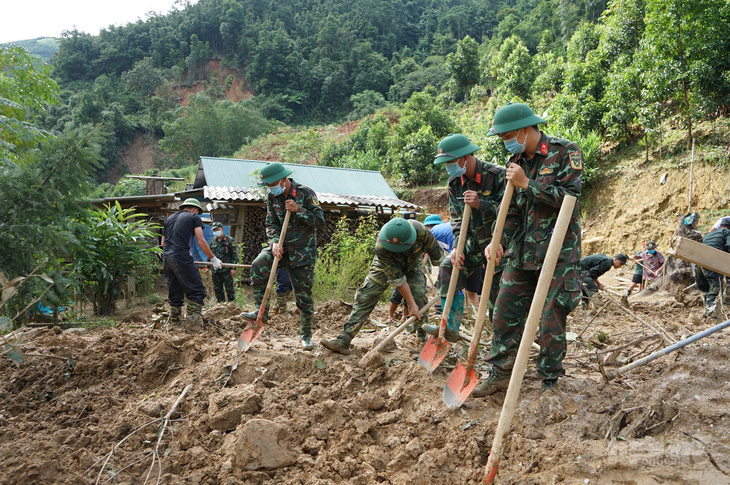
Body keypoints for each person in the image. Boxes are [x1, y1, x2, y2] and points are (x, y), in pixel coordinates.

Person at [475, 102, 583, 396]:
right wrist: (498, 241)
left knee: (550, 318)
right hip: (521, 252)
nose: (504, 142)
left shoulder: (564, 152)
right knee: (504, 310)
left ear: (524, 129)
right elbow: (512, 212)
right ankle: (499, 372)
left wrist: (528, 184)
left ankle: (549, 381)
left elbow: (570, 198)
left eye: (507, 135)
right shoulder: (516, 160)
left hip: (557, 254)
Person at [421, 134, 506, 343]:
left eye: (451, 162)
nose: (448, 167)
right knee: (448, 266)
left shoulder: (496, 176)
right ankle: (450, 325)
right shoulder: (454, 183)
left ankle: (502, 343)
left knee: (497, 294)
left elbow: (512, 212)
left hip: (499, 242)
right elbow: (457, 220)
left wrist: (482, 204)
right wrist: (457, 247)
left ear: (466, 157)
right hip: (472, 242)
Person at [320, 217, 443, 354]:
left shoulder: (422, 232)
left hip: (413, 264)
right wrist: (411, 305)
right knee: (367, 296)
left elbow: (440, 259)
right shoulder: (382, 246)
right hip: (384, 265)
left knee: (419, 294)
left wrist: (447, 280)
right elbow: (399, 282)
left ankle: (422, 338)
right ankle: (344, 340)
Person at [240, 162, 325, 351]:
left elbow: (319, 221)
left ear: (283, 179)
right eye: (268, 186)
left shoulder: (306, 193)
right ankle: (262, 311)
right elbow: (271, 223)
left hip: (302, 253)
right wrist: (274, 242)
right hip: (282, 249)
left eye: (272, 184)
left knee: (303, 297)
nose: (271, 188)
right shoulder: (273, 197)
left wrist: (299, 210)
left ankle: (306, 335)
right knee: (258, 264)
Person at [161, 198, 222, 328]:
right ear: (195, 210)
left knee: (175, 292)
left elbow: (162, 243)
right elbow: (201, 241)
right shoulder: (194, 218)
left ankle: (174, 324)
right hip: (181, 256)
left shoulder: (169, 219)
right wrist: (213, 258)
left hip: (166, 257)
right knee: (197, 291)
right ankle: (191, 325)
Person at [695, 217, 730, 316]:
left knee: (706, 289)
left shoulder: (709, 234)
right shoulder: (726, 233)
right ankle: (712, 315)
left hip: (699, 263)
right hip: (712, 261)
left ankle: (707, 310)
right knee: (716, 288)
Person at [209, 222, 238, 303]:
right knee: (218, 289)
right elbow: (210, 254)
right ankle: (220, 305)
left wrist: (233, 268)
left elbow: (234, 255)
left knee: (229, 289)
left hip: (226, 270)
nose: (216, 231)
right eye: (214, 230)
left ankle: (232, 306)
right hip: (215, 270)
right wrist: (207, 267)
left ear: (222, 229)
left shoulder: (229, 240)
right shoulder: (212, 241)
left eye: (217, 229)